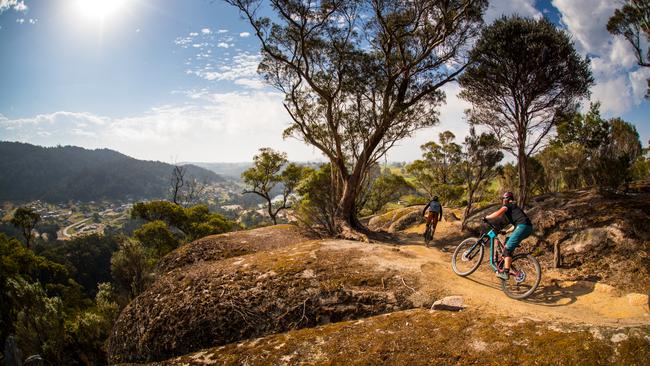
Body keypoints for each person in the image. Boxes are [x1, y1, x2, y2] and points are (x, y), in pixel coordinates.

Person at [483, 191, 533, 280]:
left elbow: (499, 213)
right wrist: (506, 232)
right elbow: (515, 226)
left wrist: (487, 217)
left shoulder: (508, 205)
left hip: (522, 227)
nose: (502, 201)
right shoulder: (515, 209)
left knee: (507, 249)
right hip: (528, 229)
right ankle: (506, 258)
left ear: (506, 199)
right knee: (507, 241)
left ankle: (505, 273)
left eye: (503, 199)